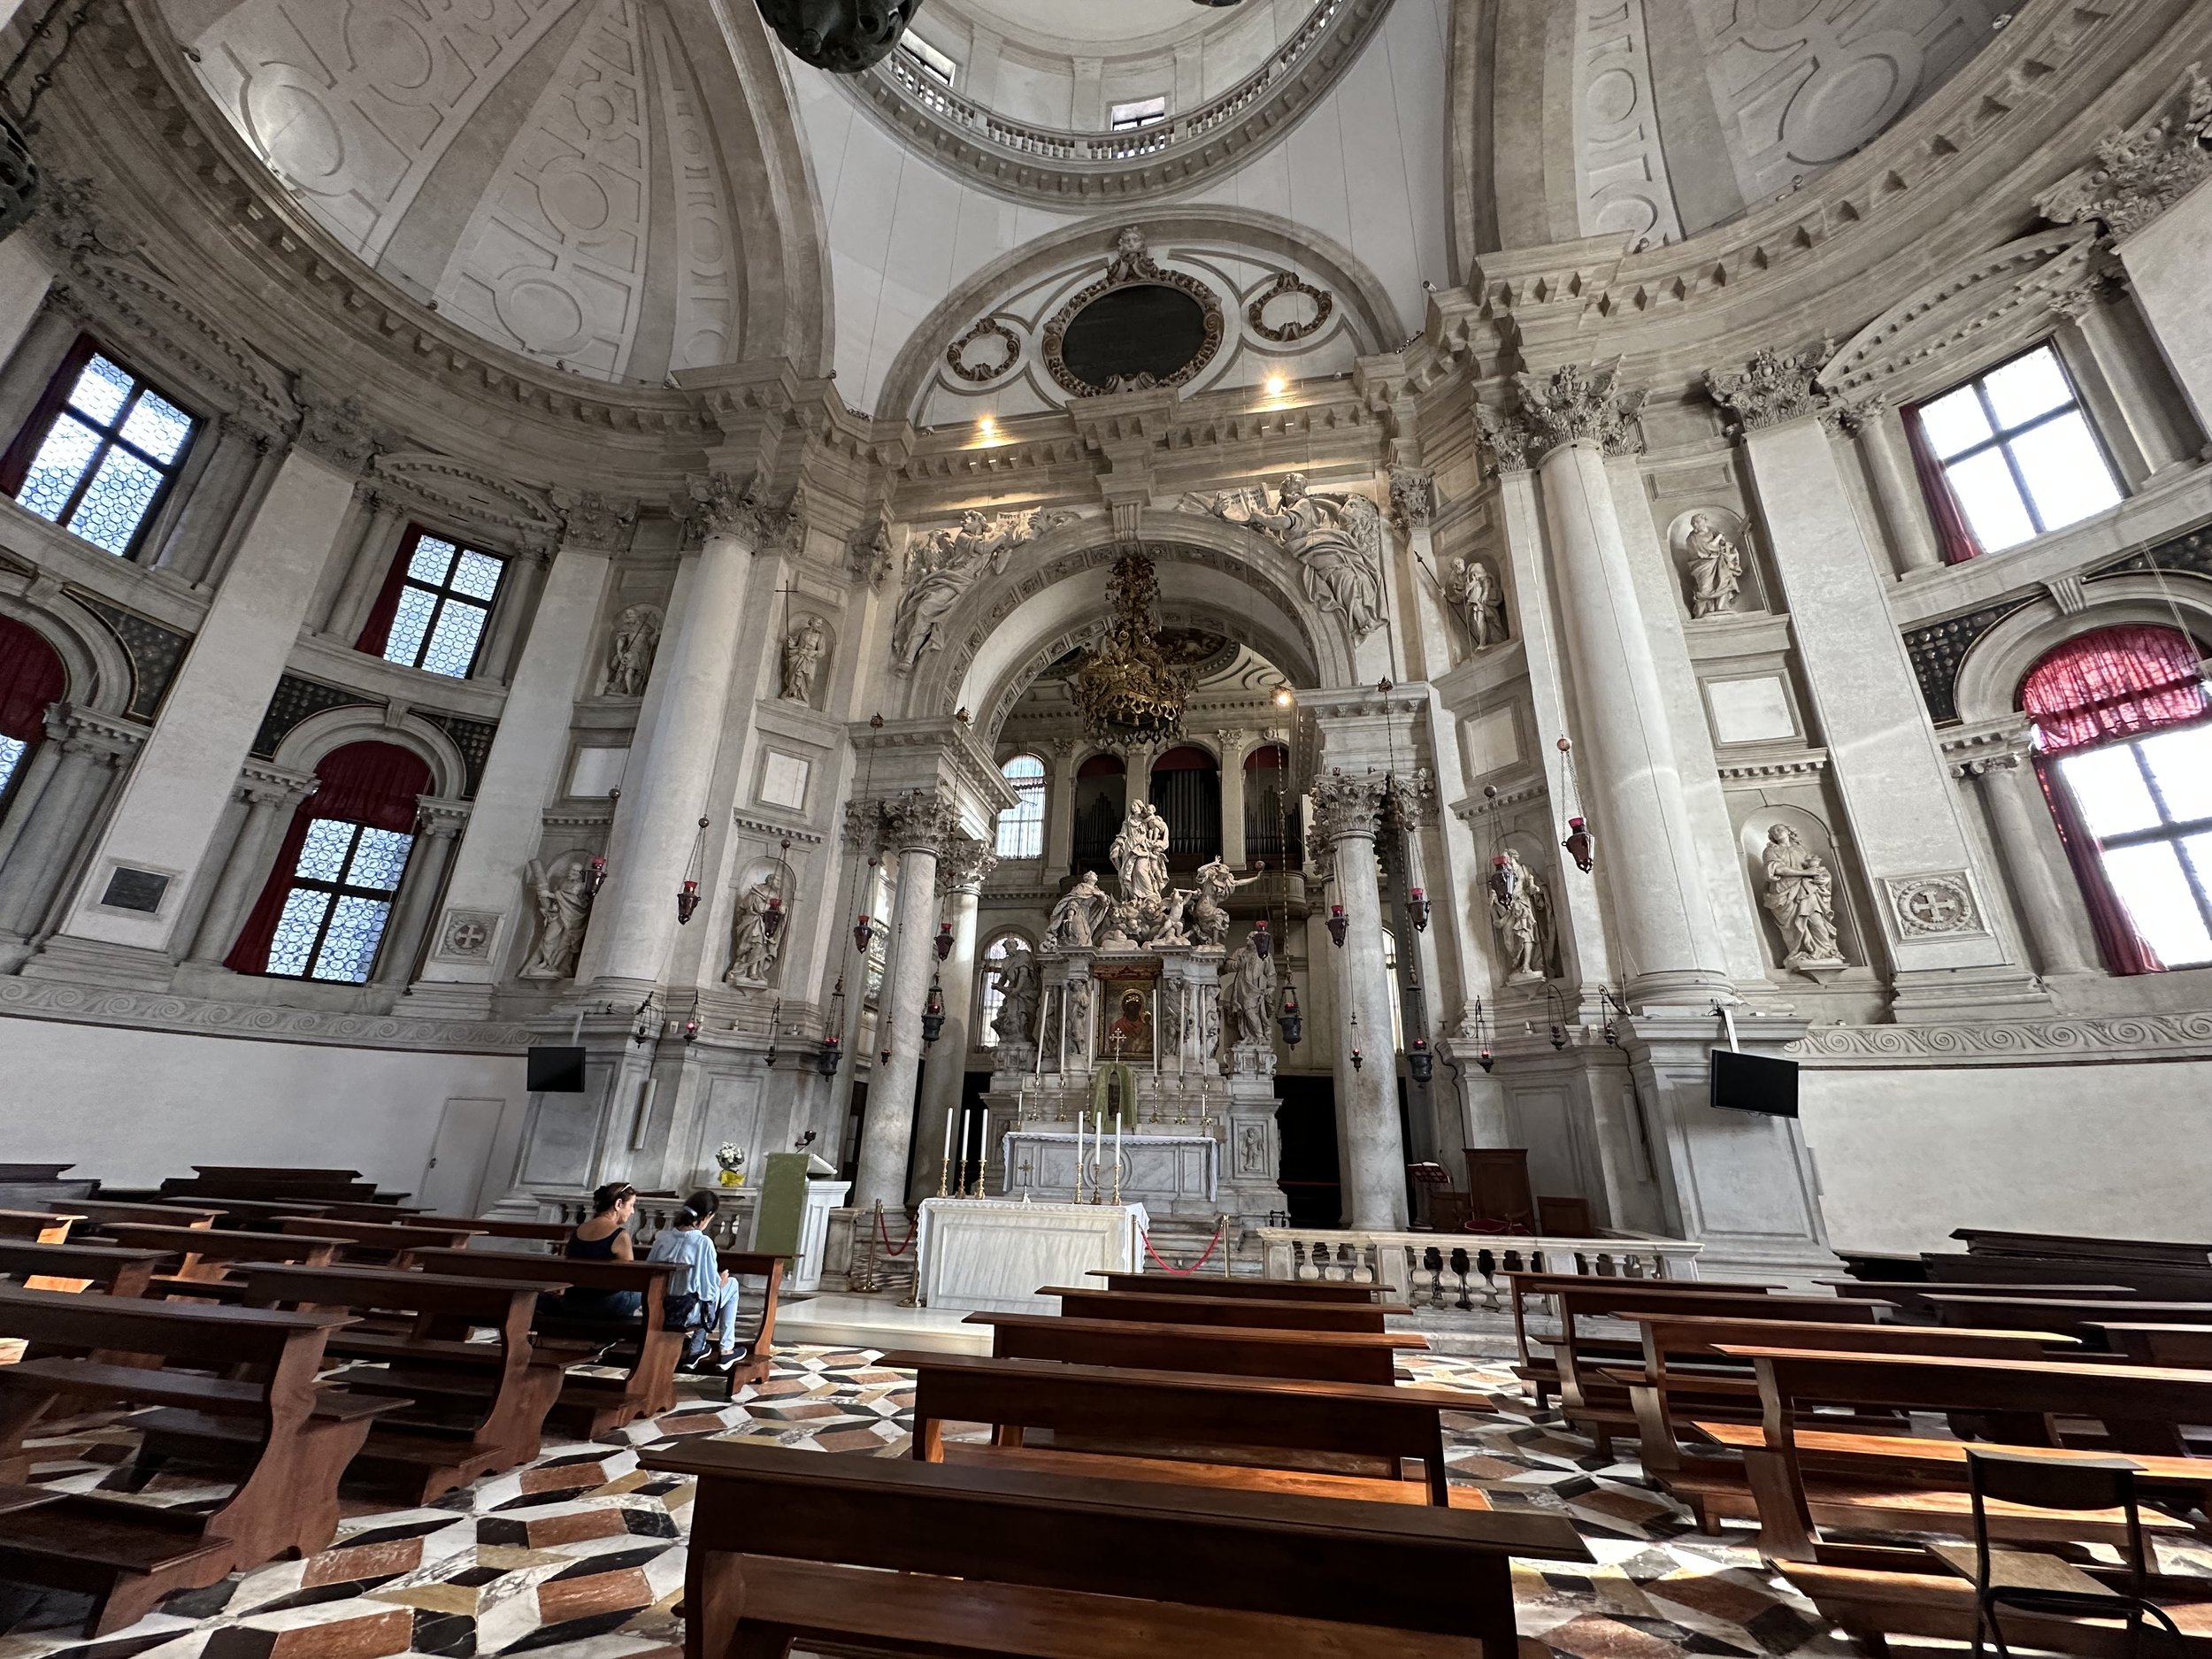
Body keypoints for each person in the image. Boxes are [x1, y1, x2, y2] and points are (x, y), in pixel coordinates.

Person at [647, 1202, 745, 1373]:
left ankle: (696, 1350)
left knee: (702, 1297)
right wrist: (720, 1282)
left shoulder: (663, 1238)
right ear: (705, 1217)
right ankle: (726, 1350)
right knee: (731, 1286)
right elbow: (709, 1291)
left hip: (658, 1307)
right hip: (687, 1312)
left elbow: (647, 1272)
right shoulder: (703, 1242)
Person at [557, 1182, 641, 1320]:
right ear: (618, 1204)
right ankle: (616, 1332)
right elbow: (629, 1277)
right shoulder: (620, 1235)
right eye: (631, 1205)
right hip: (603, 1304)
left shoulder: (579, 1229)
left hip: (572, 1301)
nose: (632, 1211)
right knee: (637, 1293)